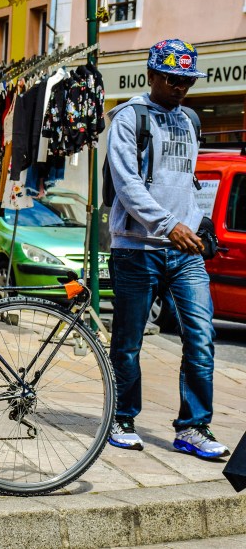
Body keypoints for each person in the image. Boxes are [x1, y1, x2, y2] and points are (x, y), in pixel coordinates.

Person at [106, 39, 229, 459]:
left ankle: (193, 427)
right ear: (151, 75)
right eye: (173, 79)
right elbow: (127, 185)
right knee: (128, 341)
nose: (181, 88)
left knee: (201, 336)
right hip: (136, 249)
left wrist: (197, 223)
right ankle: (121, 417)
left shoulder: (190, 121)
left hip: (183, 251)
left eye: (187, 81)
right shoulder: (128, 118)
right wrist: (167, 224)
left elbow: (185, 185)